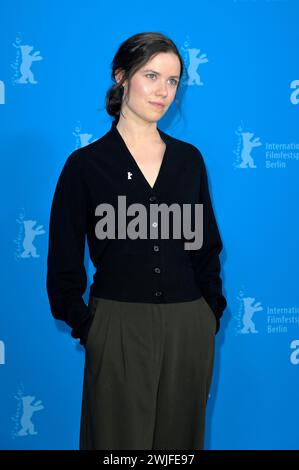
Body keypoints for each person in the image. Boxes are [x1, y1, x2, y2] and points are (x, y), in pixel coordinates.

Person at [46, 31, 227, 450]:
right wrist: (90, 325)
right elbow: (62, 261)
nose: (163, 91)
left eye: (173, 81)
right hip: (118, 325)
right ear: (121, 76)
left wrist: (209, 313)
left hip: (188, 327)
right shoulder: (86, 165)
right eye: (152, 76)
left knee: (178, 450)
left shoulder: (189, 161)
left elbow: (206, 246)